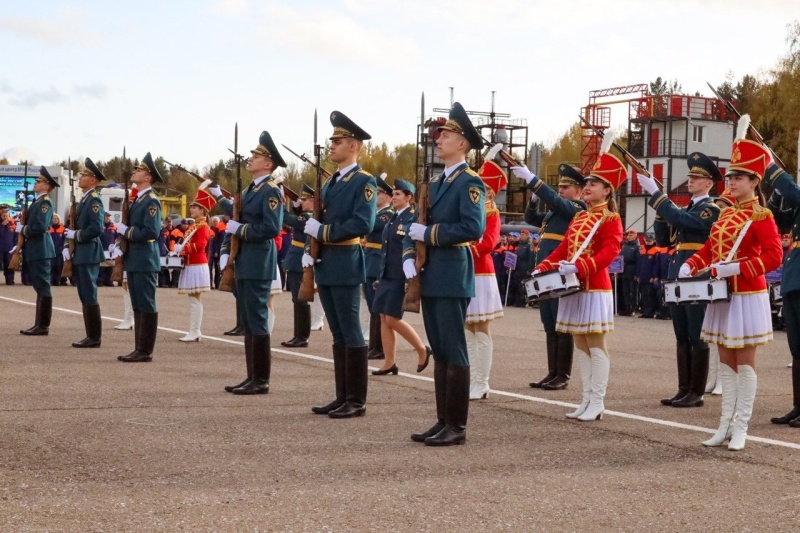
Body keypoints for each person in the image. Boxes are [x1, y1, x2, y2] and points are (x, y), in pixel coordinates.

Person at [681, 136, 781, 450]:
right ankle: (724, 425)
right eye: (731, 177)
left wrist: (738, 268)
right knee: (726, 365)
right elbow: (711, 248)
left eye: (738, 177)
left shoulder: (761, 216)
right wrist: (692, 263)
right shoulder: (725, 214)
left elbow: (774, 256)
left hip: (747, 296)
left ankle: (741, 428)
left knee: (745, 363)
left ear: (754, 181)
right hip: (723, 296)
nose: (732, 182)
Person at [404, 102, 486, 446]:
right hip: (433, 273)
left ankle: (458, 426)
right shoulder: (437, 182)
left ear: (463, 143)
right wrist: (412, 252)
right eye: (439, 134)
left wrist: (431, 235)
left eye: (447, 135)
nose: (439, 139)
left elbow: (473, 227)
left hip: (453, 271)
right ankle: (442, 420)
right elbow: (419, 224)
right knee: (440, 350)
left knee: (455, 351)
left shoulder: (470, 182)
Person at [534, 150, 625, 421]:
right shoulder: (579, 218)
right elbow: (563, 248)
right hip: (573, 287)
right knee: (581, 344)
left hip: (595, 286)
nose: (587, 188)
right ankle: (586, 399)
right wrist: (544, 266)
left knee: (596, 344)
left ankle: (598, 401)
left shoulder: (610, 219)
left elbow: (610, 252)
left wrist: (581, 267)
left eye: (593, 184)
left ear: (607, 191)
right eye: (586, 184)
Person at [306, 111, 377, 419]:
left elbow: (363, 222)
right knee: (337, 333)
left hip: (346, 261)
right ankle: (341, 395)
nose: (331, 146)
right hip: (327, 262)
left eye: (337, 141)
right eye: (332, 140)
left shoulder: (364, 181)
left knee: (351, 332)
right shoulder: (332, 182)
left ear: (353, 146)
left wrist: (321, 232)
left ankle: (356, 399)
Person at [638, 152, 722, 408]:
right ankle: (683, 388)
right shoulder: (685, 208)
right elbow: (664, 239)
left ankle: (696, 391)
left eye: (696, 178)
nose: (690, 181)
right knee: (681, 335)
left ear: (709, 182)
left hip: (697, 273)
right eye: (690, 177)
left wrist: (659, 197)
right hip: (678, 273)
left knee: (697, 335)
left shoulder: (711, 208)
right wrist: (660, 209)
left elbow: (685, 222)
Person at [210, 131, 284, 394]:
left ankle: (261, 379)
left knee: (257, 319)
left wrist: (239, 230)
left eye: (256, 156)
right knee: (249, 321)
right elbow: (237, 212)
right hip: (244, 261)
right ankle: (251, 376)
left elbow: (271, 228)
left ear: (268, 163)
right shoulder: (251, 189)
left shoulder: (271, 191)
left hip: (258, 260)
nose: (250, 159)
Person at [516, 163, 587, 389]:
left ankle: (562, 375)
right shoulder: (555, 213)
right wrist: (534, 199)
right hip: (546, 273)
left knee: (560, 323)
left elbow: (557, 202)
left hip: (559, 272)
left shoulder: (577, 207)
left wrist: (534, 181)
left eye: (566, 187)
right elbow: (531, 217)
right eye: (560, 187)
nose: (561, 191)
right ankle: (552, 372)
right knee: (548, 322)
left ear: (578, 190)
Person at [371, 178, 431, 376]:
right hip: (387, 274)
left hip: (402, 274)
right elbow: (387, 249)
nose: (394, 197)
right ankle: (389, 362)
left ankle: (422, 349)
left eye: (398, 194)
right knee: (382, 316)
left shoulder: (414, 216)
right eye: (393, 194)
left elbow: (414, 247)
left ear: (409, 197)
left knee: (393, 318)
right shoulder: (393, 217)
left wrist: (410, 279)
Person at [115, 153, 163, 362]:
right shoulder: (138, 199)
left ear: (148, 177)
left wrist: (126, 232)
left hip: (144, 258)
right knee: (137, 304)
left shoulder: (151, 201)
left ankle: (145, 350)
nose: (134, 172)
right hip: (135, 258)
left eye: (139, 170)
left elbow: (152, 232)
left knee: (146, 304)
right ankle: (139, 348)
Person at [763, 162, 800, 426]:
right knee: (797, 350)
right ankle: (798, 406)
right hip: (793, 279)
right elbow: (776, 219)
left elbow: (792, 189)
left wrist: (770, 166)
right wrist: (776, 193)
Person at [465, 163, 506, 399]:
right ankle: (473, 380)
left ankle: (482, 382)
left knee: (480, 328)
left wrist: (464, 252)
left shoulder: (491, 212)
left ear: (490, 192)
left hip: (481, 271)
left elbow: (489, 242)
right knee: (467, 328)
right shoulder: (471, 210)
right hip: (466, 270)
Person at [62, 158, 106, 347]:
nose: (80, 178)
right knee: (84, 294)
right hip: (82, 252)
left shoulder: (94, 200)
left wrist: (76, 235)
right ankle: (91, 335)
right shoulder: (85, 200)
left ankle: (94, 337)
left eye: (85, 175)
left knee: (89, 293)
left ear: (93, 181)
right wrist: (68, 242)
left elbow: (97, 228)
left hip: (88, 252)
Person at [18, 167, 59, 335]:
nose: (36, 183)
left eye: (39, 181)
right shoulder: (37, 202)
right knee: (38, 286)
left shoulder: (45, 203)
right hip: (35, 249)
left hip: (41, 249)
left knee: (43, 287)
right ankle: (39, 324)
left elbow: (41, 226)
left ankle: (43, 325)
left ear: (46, 186)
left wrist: (24, 229)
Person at [174, 184, 214, 342]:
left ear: (203, 210)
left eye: (195, 207)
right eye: (192, 207)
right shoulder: (195, 225)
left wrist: (182, 249)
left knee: (194, 299)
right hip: (192, 264)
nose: (192, 210)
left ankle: (195, 330)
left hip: (197, 264)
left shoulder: (203, 226)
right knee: (193, 299)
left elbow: (200, 246)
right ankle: (193, 330)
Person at [281, 184, 315, 348]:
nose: (302, 202)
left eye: (305, 199)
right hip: (296, 259)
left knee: (300, 300)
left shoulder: (309, 217)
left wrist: (280, 201)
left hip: (299, 260)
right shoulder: (306, 216)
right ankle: (299, 335)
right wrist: (295, 205)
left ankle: (302, 336)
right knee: (297, 300)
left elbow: (287, 219)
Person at [365, 176, 394, 360]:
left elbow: (371, 226)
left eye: (378, 193)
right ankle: (374, 345)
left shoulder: (388, 214)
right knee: (372, 307)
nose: (375, 196)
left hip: (378, 262)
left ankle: (380, 347)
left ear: (387, 196)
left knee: (378, 307)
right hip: (369, 261)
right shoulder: (377, 212)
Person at [619, 230, 640, 315]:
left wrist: (637, 273)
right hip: (625, 269)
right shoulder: (625, 246)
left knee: (633, 290)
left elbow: (639, 261)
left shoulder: (636, 247)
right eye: (628, 235)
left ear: (635, 236)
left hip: (633, 268)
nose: (629, 237)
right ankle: (627, 307)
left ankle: (633, 307)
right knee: (625, 290)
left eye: (631, 235)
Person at [1, 205, 17, 285]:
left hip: (9, 249)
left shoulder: (13, 223)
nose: (5, 217)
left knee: (9, 265)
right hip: (0, 249)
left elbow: (15, 236)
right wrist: (2, 226)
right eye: (3, 216)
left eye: (6, 216)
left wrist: (15, 246)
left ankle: (10, 280)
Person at [49, 214, 66, 286]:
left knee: (58, 266)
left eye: (56, 218)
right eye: (54, 218)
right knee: (51, 266)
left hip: (59, 251)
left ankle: (57, 280)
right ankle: (51, 281)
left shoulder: (63, 229)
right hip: (51, 251)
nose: (55, 219)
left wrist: (63, 249)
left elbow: (64, 240)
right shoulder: (49, 228)